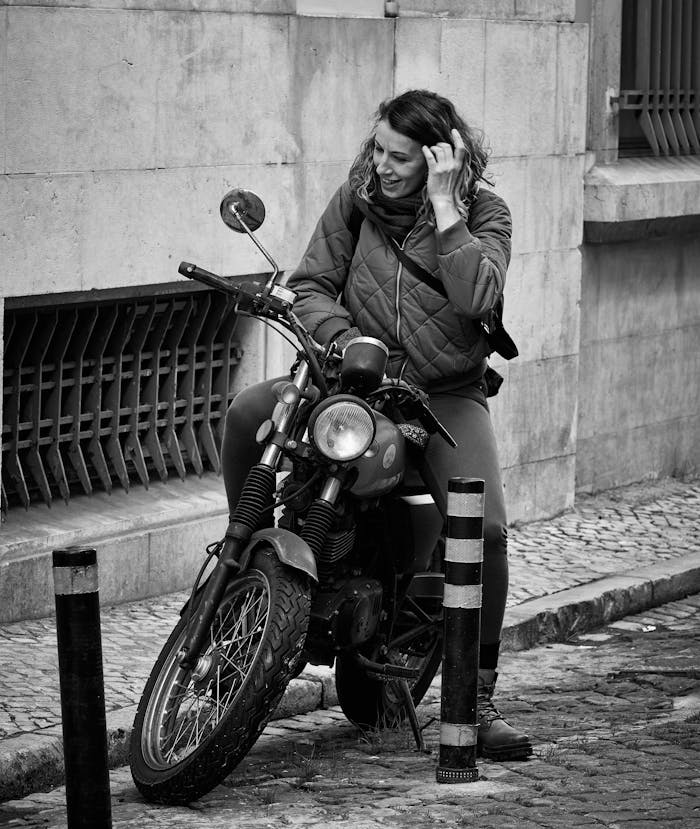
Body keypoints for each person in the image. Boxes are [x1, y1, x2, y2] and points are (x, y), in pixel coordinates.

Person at [222, 89, 531, 761]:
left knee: (489, 530)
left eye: (400, 157)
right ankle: (239, 581)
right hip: (356, 379)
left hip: (444, 393)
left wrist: (448, 211)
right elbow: (310, 287)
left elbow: (478, 295)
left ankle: (476, 697)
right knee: (248, 414)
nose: (383, 166)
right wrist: (348, 348)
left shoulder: (485, 212)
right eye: (379, 149)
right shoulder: (356, 198)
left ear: (439, 159)